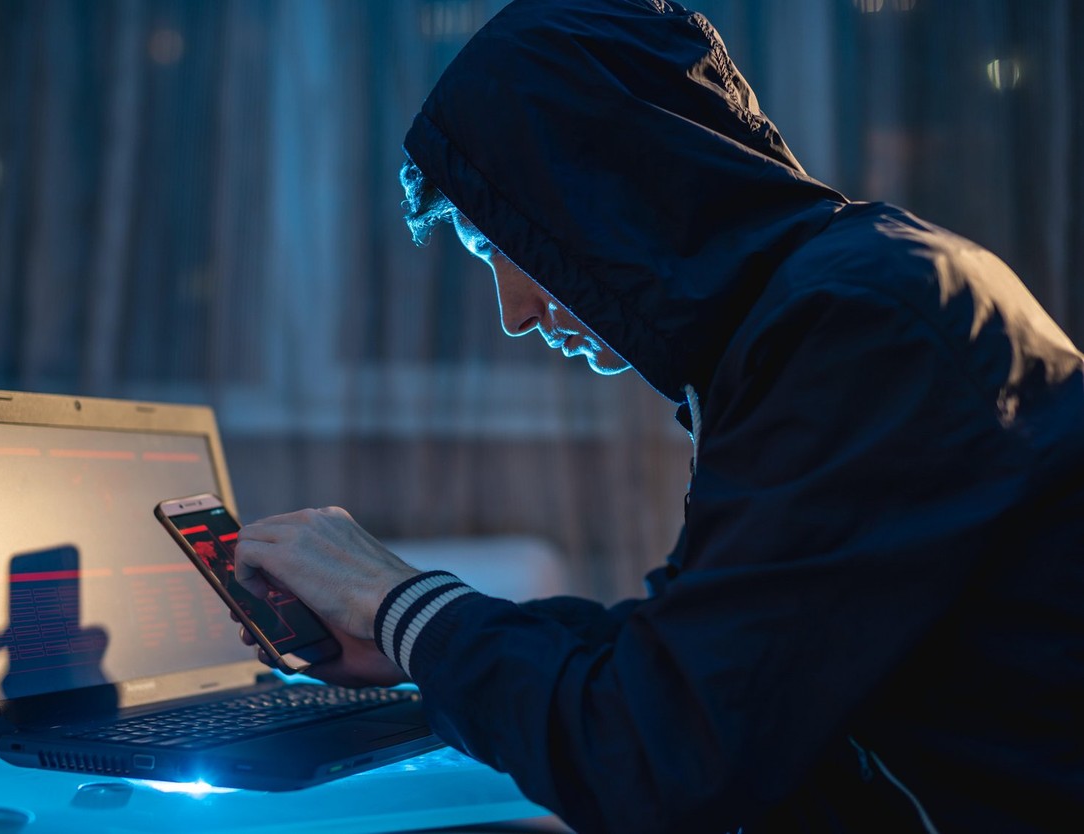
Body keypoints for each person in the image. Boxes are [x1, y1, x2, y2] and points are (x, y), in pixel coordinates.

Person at [234, 1, 1084, 831]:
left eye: (505, 248)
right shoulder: (849, 295)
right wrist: (421, 639)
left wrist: (400, 601)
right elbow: (707, 663)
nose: (515, 313)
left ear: (601, 188)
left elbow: (662, 760)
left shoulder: (855, 328)